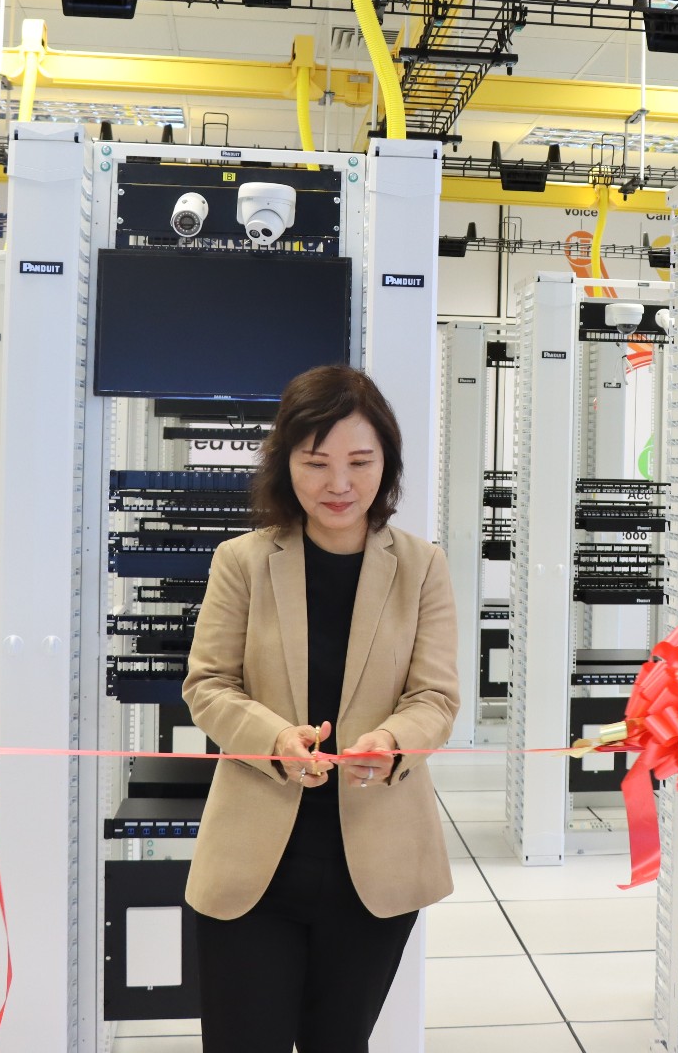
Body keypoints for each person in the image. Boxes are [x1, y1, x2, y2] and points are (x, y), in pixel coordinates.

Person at [183, 365, 458, 1053]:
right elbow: (208, 685)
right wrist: (274, 737)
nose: (339, 483)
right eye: (317, 463)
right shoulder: (243, 561)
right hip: (254, 864)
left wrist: (391, 741)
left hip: (374, 866)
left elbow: (436, 697)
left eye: (360, 462)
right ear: (287, 465)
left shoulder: (422, 567)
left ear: (386, 464)